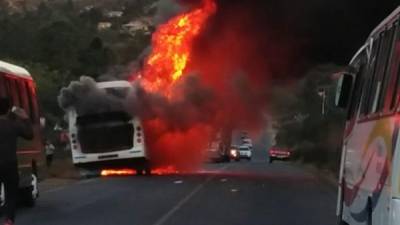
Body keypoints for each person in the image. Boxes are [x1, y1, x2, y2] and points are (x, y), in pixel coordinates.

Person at [0, 97, 33, 225]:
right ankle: (9, 220)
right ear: (8, 109)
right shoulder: (13, 125)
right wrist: (25, 118)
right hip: (10, 164)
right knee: (11, 194)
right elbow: (30, 135)